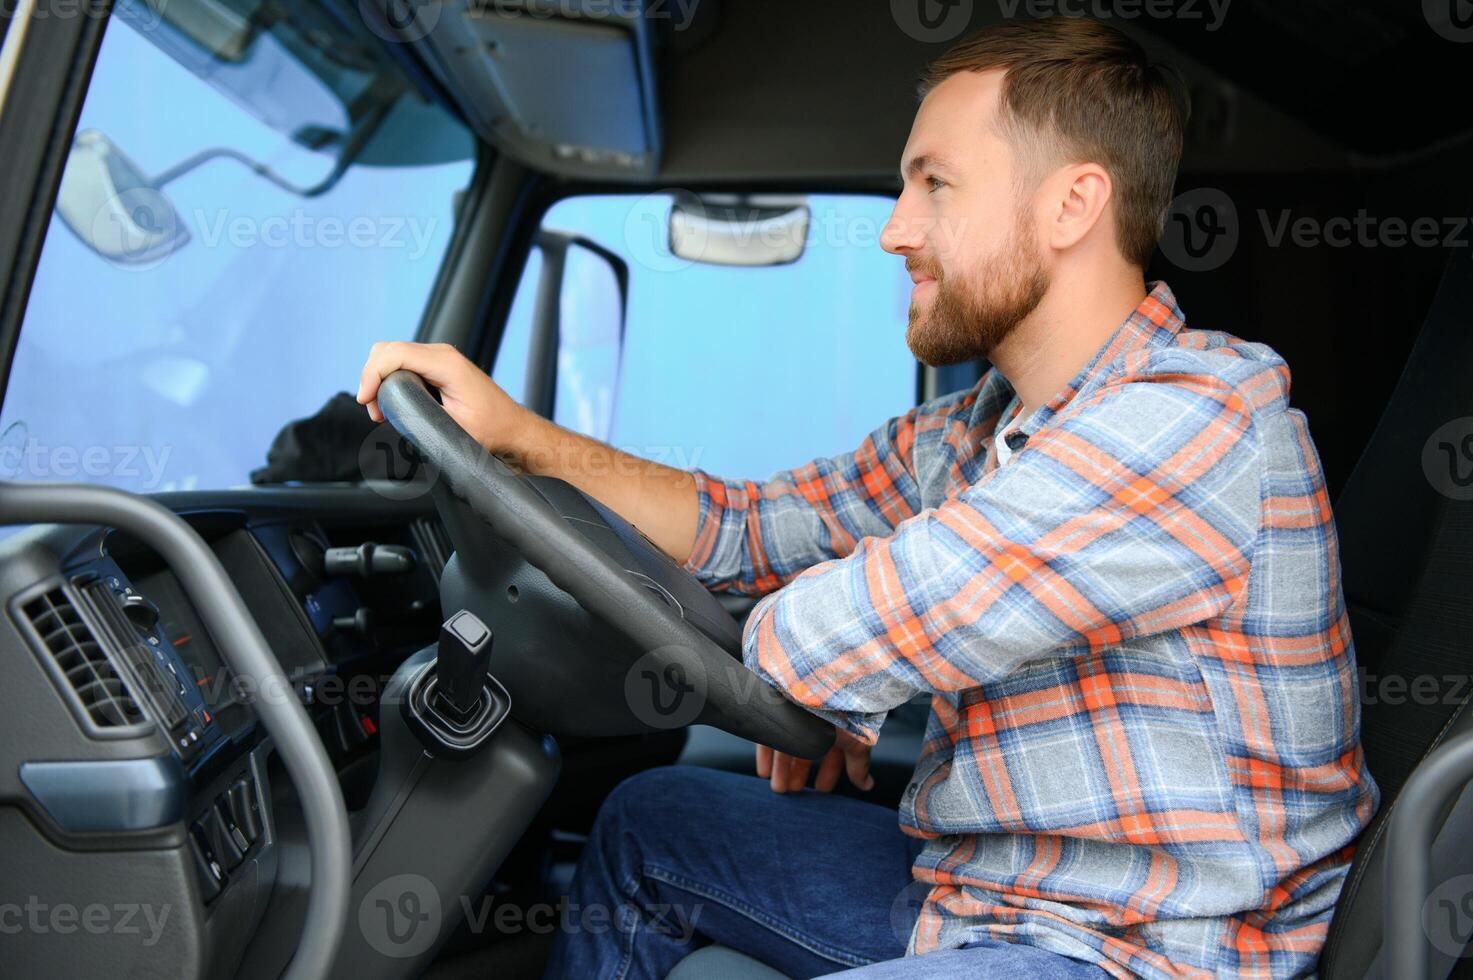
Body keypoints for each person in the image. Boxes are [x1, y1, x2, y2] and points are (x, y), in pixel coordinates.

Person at [357, 17, 1378, 979]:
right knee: (648, 823)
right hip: (986, 894)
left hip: (1146, 949)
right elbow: (743, 527)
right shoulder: (971, 429)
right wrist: (518, 436)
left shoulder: (1195, 416)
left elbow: (877, 617)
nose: (896, 230)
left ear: (1073, 205)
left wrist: (837, 675)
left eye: (935, 185)